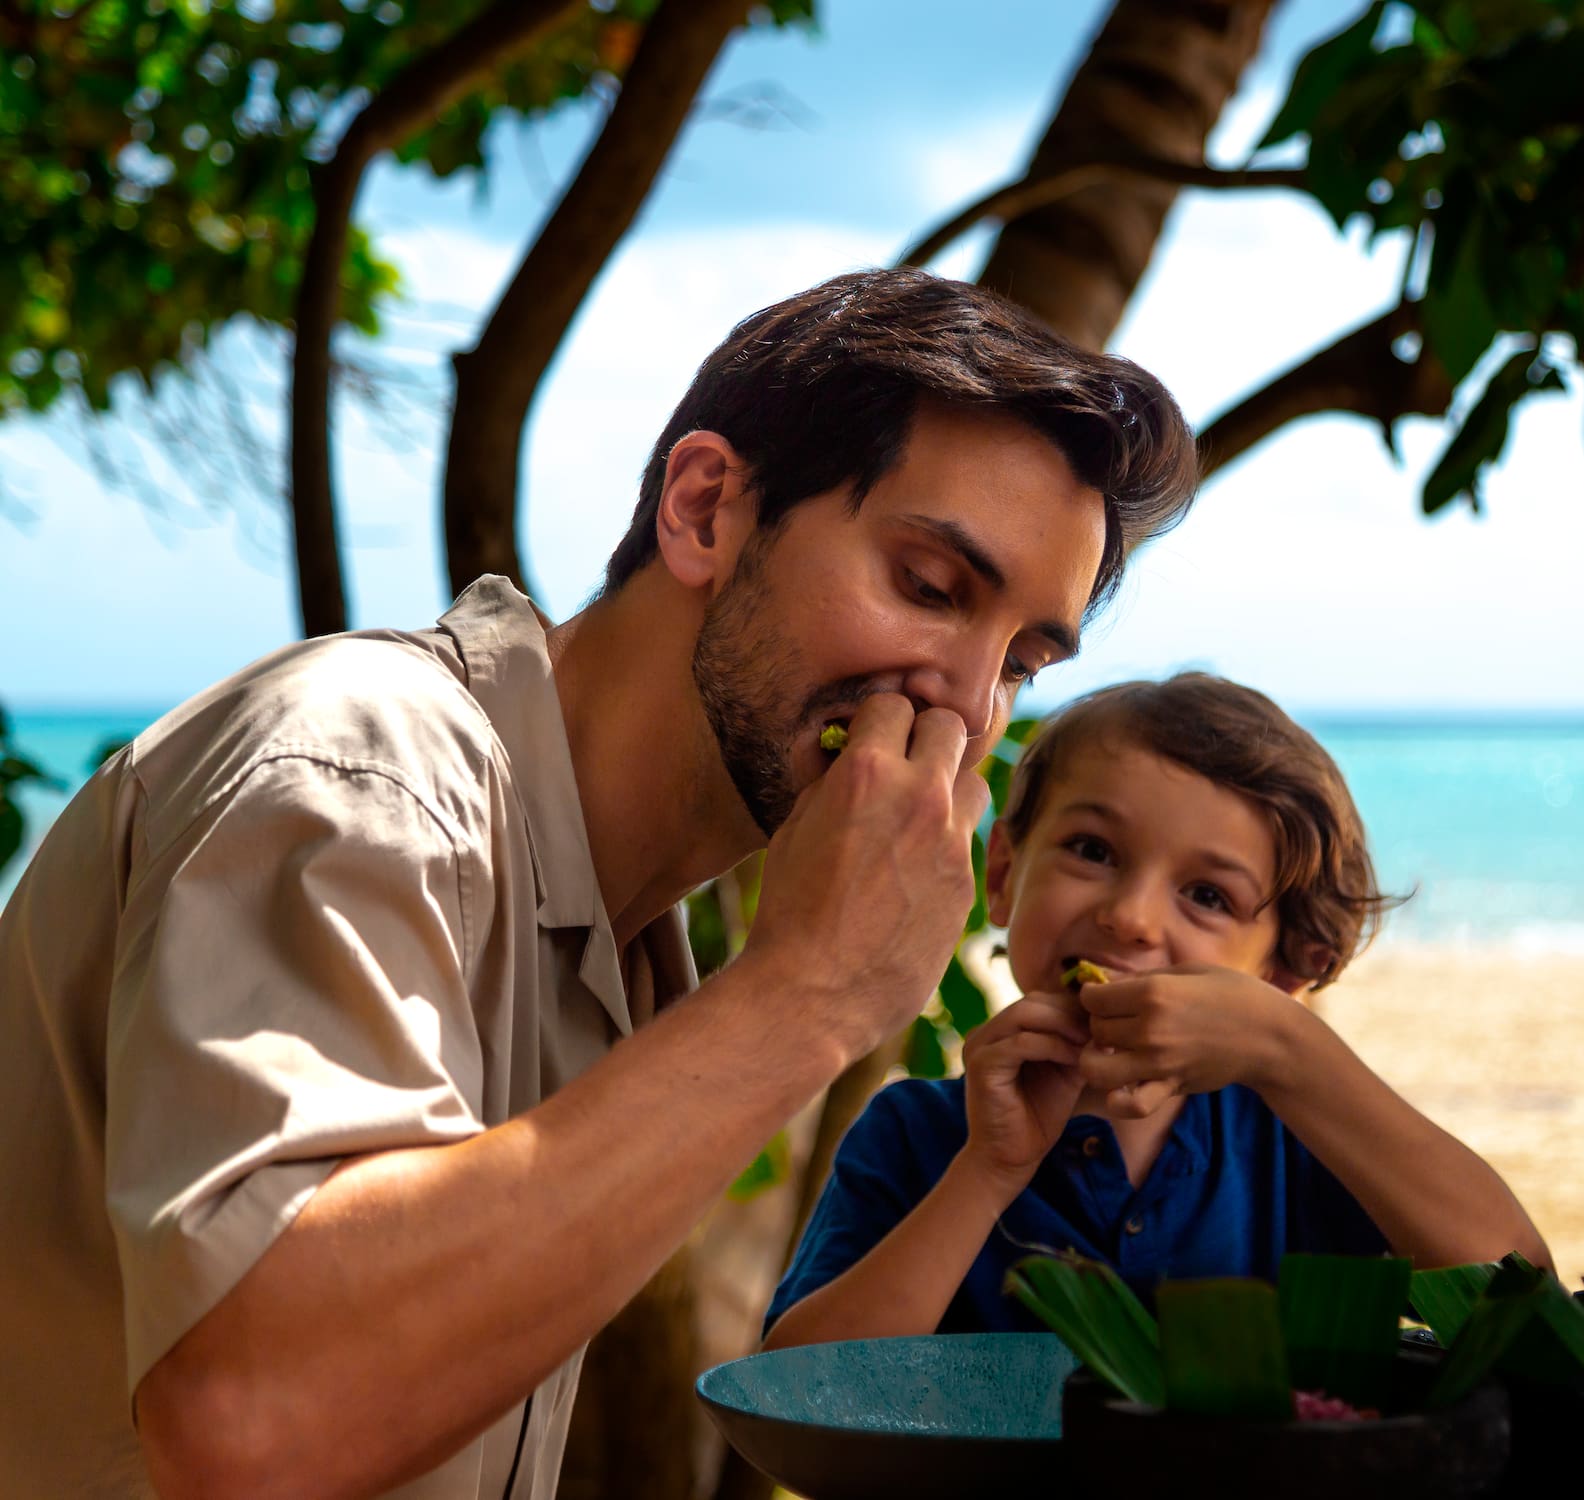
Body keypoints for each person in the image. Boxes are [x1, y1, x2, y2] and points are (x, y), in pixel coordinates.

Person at [0, 268, 1198, 1499]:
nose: (963, 698)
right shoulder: (368, 766)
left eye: (1020, 663)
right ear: (704, 508)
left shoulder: (620, 938)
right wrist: (807, 993)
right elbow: (254, 1421)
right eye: (930, 590)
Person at [763, 674, 1551, 1347]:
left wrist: (1291, 1053)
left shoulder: (1296, 1143)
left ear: (1280, 974)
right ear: (1003, 871)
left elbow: (1518, 1301)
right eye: (1092, 851)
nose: (1132, 917)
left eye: (1207, 896)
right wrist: (988, 1173)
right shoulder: (915, 1136)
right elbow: (792, 1396)